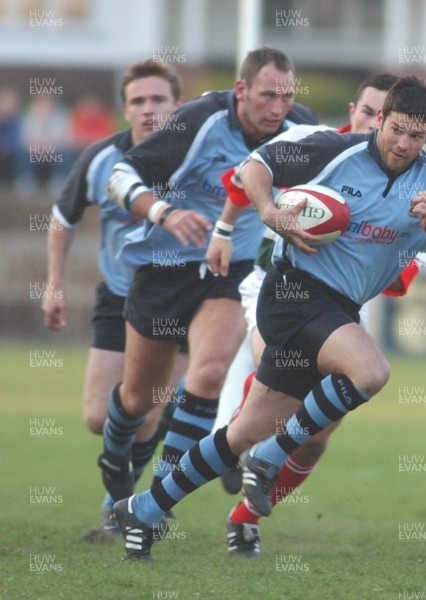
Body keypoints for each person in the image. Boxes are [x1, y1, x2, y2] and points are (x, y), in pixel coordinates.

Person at [109, 75, 426, 560]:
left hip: (338, 309)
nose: (404, 143)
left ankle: (146, 508)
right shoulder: (331, 149)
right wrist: (270, 212)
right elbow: (254, 167)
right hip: (292, 292)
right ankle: (273, 456)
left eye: (417, 135)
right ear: (380, 119)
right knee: (370, 372)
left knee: (240, 433)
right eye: (397, 129)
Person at [208, 72, 426, 556]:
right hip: (275, 285)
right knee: (280, 367)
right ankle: (235, 435)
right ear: (357, 113)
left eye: (399, 126)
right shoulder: (313, 145)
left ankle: (245, 515)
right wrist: (230, 227)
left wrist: (363, 235)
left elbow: (401, 278)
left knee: (314, 441)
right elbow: (245, 175)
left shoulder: (415, 190)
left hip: (345, 309)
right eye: (374, 116)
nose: (386, 131)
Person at [99, 46, 319, 520]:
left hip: (230, 270)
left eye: (286, 96)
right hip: (163, 267)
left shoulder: (300, 128)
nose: (277, 108)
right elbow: (119, 177)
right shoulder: (198, 119)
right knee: (139, 397)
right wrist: (167, 212)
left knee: (211, 372)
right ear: (241, 91)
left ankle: (154, 501)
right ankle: (115, 459)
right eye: (266, 96)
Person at [41, 58, 185, 541]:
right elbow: (63, 217)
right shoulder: (103, 158)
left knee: (150, 411)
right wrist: (55, 284)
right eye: (138, 101)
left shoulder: (199, 155)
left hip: (180, 301)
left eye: (158, 100)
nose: (149, 110)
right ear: (125, 109)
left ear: (177, 104)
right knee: (98, 416)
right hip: (119, 297)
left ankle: (121, 509)